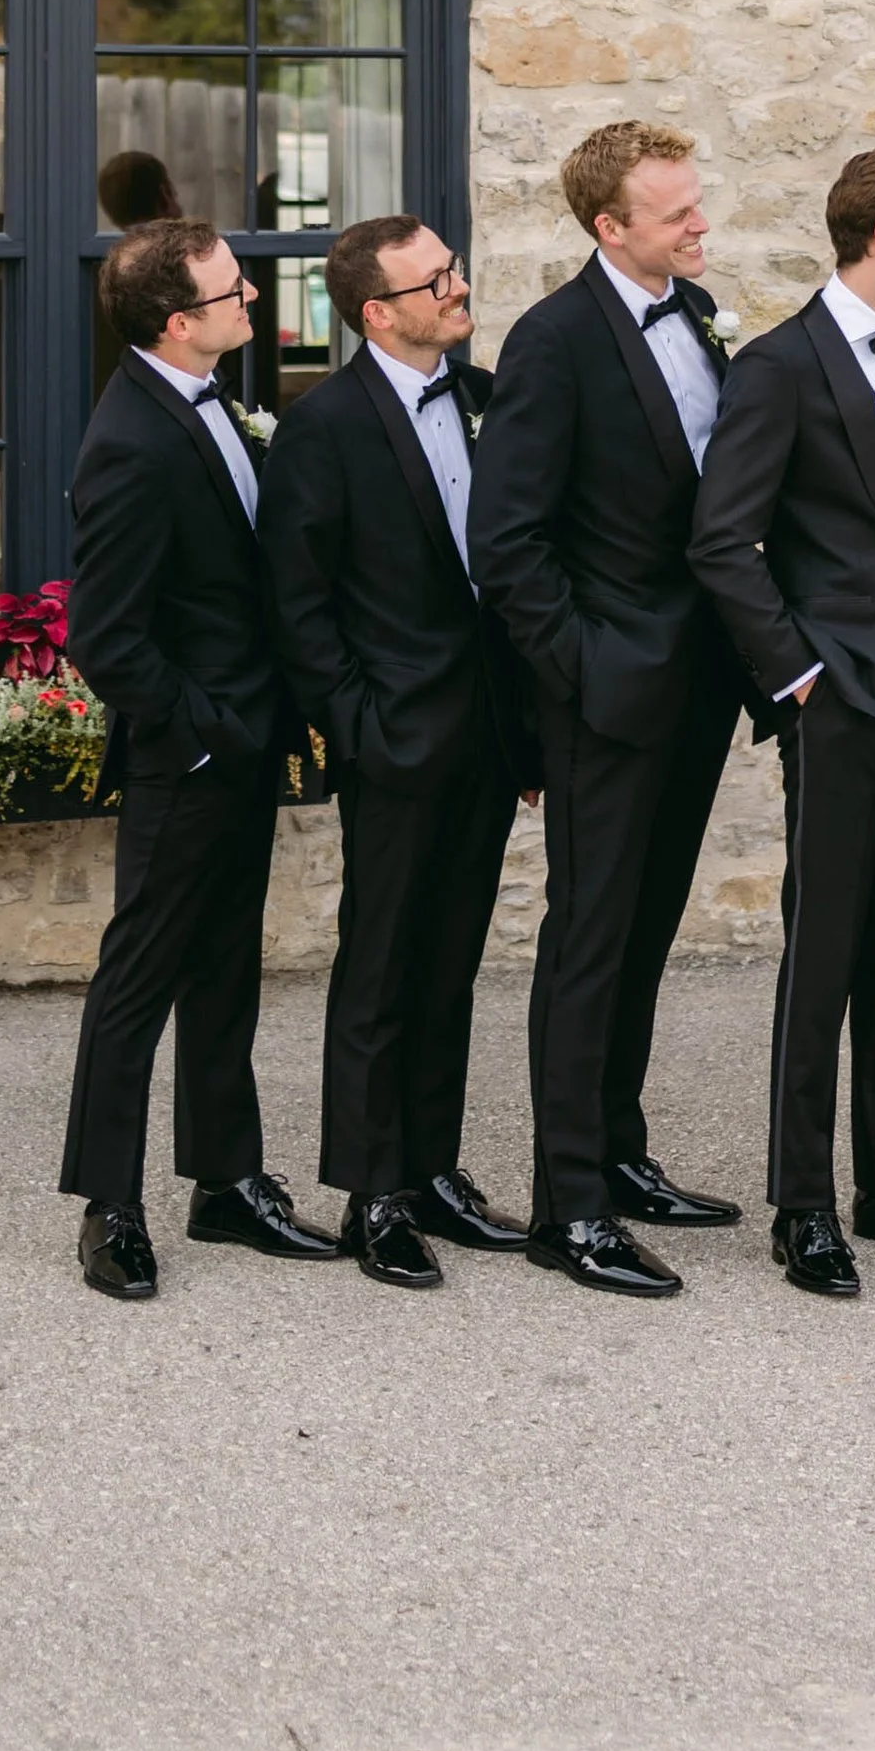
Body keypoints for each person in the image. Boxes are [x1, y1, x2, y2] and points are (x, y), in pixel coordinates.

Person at [689, 146, 875, 1302]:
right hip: (840, 702)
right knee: (822, 954)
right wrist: (799, 678)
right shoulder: (778, 367)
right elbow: (724, 540)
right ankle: (802, 1204)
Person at [467, 124, 748, 1299]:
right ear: (609, 227)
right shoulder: (553, 341)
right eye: (675, 213)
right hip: (607, 695)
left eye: (695, 205)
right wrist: (581, 670)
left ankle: (620, 1154)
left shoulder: (698, 314)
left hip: (698, 688)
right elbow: (507, 541)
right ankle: (565, 1206)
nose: (698, 226)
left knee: (644, 933)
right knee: (587, 941)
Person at [58, 217, 341, 1299]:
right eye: (234, 296)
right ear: (179, 323)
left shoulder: (204, 400)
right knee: (140, 977)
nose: (253, 306)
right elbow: (106, 634)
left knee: (227, 967)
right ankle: (109, 1209)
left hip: (245, 740)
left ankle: (225, 1182)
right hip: (193, 758)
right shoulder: (130, 437)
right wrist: (205, 733)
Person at [259, 217, 536, 1290]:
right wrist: (357, 723)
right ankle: (370, 1192)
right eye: (437, 281)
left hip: (487, 734)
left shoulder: (482, 396)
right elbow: (299, 603)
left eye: (454, 271)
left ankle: (431, 1170)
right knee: (379, 967)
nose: (457, 290)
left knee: (452, 963)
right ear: (378, 312)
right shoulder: (321, 427)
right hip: (394, 738)